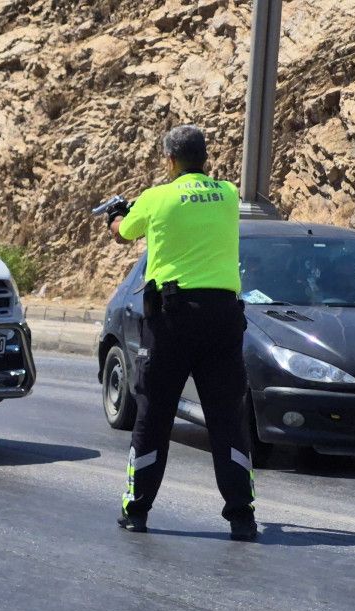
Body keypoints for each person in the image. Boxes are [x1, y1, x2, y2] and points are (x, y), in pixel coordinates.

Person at [109, 125, 258, 542]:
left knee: (154, 415)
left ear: (169, 161)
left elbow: (123, 233)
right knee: (227, 419)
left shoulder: (156, 198)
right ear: (205, 158)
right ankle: (242, 518)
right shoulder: (227, 194)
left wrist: (117, 217)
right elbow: (199, 200)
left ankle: (136, 510)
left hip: (171, 321)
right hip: (223, 319)